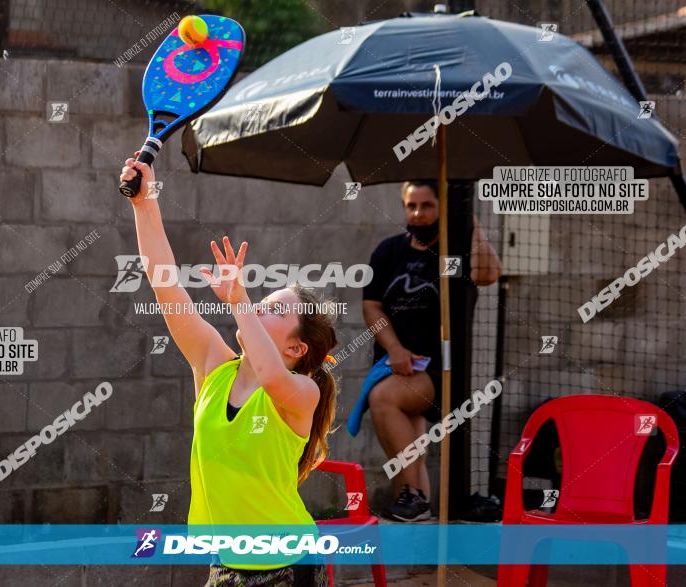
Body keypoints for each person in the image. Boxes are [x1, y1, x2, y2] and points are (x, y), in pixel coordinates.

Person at [120, 155, 338, 587]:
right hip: (226, 565)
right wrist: (144, 203)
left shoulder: (302, 392)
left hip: (290, 567)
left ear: (296, 347)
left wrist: (239, 301)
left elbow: (271, 377)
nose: (258, 307)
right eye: (259, 302)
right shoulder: (214, 366)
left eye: (272, 310)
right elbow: (165, 286)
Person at [361, 180, 501, 522]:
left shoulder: (457, 252)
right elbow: (372, 307)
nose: (418, 214)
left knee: (383, 400)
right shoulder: (389, 251)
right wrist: (394, 348)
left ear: (443, 209)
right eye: (412, 206)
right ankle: (418, 528)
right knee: (410, 460)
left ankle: (417, 497)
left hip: (443, 373)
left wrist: (469, 223)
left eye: (427, 206)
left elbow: (488, 274)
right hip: (396, 366)